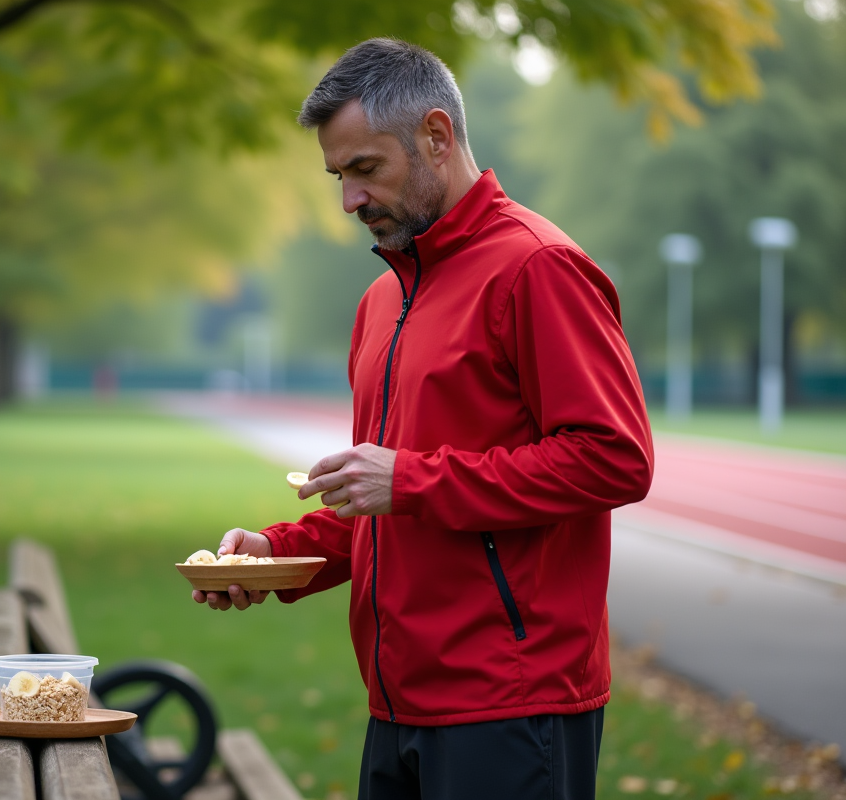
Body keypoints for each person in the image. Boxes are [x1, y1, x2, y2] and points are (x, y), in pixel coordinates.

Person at [192, 38, 653, 799]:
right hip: (397, 702)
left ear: (436, 138)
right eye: (339, 177)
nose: (349, 201)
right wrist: (274, 554)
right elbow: (385, 499)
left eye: (366, 170)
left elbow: (615, 458)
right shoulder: (380, 302)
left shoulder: (538, 267)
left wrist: (408, 478)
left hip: (511, 704)